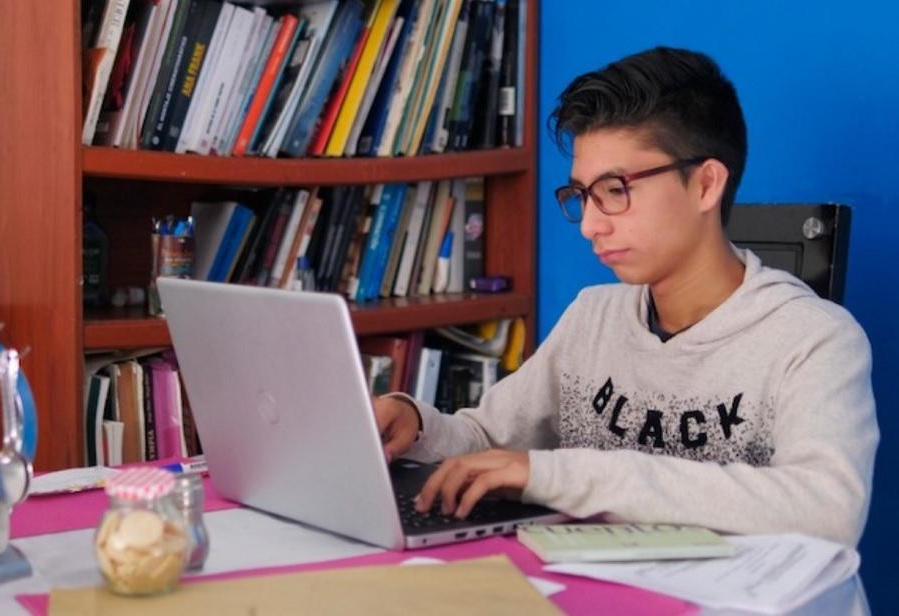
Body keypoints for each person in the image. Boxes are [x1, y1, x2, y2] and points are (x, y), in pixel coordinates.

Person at [373, 46, 878, 546]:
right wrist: (415, 425)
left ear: (705, 185)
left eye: (615, 190)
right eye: (582, 195)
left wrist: (563, 475)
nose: (590, 225)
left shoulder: (813, 339)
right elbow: (488, 441)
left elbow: (828, 509)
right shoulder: (594, 317)